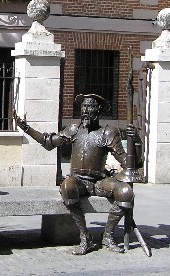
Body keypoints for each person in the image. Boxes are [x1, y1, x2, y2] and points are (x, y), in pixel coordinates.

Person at [14, 94, 142, 255]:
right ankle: (85, 237)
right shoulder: (74, 130)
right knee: (67, 186)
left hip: (98, 181)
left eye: (90, 106)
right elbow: (48, 142)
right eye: (83, 107)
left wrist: (136, 142)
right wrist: (26, 128)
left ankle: (107, 235)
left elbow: (129, 164)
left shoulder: (108, 132)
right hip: (78, 181)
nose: (85, 110)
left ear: (99, 110)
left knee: (125, 192)